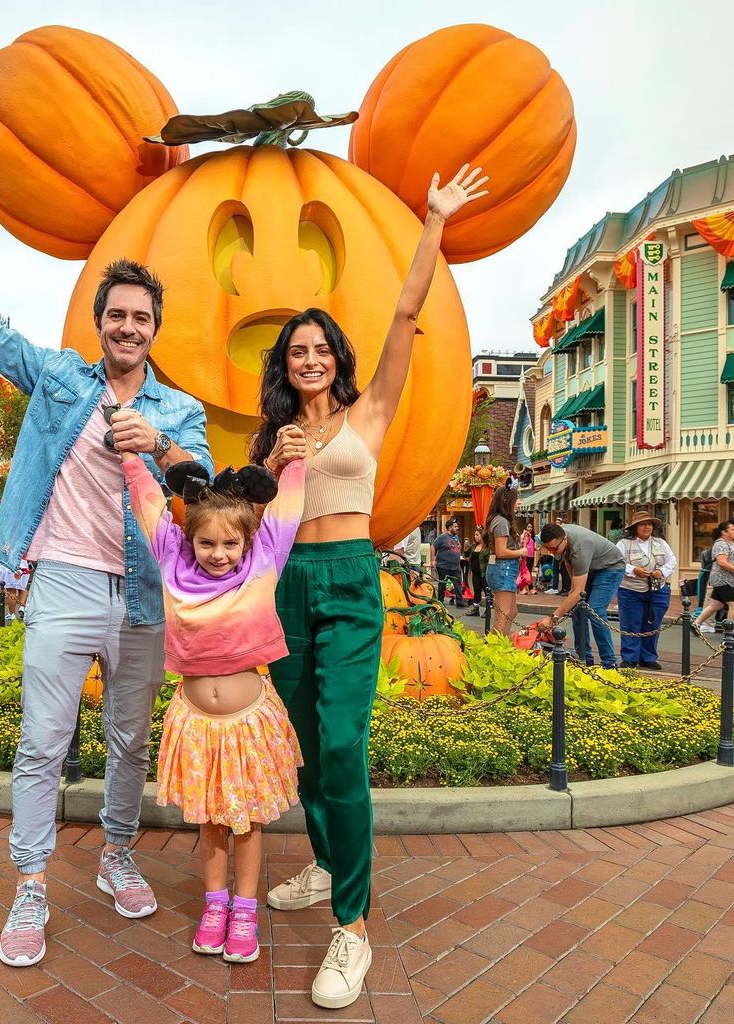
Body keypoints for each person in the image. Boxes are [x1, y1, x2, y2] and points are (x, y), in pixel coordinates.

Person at [0, 183, 211, 968]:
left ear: (157, 329)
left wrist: (157, 447)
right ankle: (30, 885)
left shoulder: (179, 410)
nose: (128, 327)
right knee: (42, 743)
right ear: (101, 325)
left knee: (130, 743)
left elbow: (205, 492)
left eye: (141, 317)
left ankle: (116, 857)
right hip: (61, 580)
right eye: (117, 315)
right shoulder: (63, 379)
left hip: (142, 592)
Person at [249, 163, 489, 1008]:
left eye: (319, 347)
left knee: (344, 747)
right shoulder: (273, 435)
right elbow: (247, 533)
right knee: (309, 750)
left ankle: (352, 929)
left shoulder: (370, 413)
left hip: (351, 583)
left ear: (335, 358)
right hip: (288, 588)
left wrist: (433, 222)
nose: (309, 357)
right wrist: (269, 471)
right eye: (297, 350)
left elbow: (405, 312)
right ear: (285, 365)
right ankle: (323, 862)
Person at [124, 451, 305, 964]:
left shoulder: (264, 560)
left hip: (249, 724)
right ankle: (215, 905)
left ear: (249, 541)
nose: (219, 553)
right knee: (210, 823)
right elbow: (149, 505)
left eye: (230, 543)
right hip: (196, 724)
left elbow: (286, 510)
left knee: (247, 822)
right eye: (207, 542)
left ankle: (245, 909)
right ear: (189, 540)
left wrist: (295, 463)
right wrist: (131, 456)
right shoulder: (171, 561)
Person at [536, 522, 626, 669]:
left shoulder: (580, 548)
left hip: (611, 567)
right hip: (590, 568)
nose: (552, 552)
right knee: (577, 609)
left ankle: (609, 663)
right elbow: (569, 565)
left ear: (564, 539)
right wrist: (573, 596)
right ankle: (584, 658)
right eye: (548, 549)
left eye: (554, 548)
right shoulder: (560, 541)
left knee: (595, 610)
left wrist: (552, 618)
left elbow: (578, 592)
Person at [615, 510, 676, 670]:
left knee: (653, 623)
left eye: (649, 524)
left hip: (658, 589)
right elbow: (617, 563)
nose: (646, 527)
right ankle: (630, 658)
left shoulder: (660, 543)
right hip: (630, 590)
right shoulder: (623, 544)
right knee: (631, 624)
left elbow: (671, 562)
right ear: (635, 527)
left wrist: (661, 572)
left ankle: (648, 657)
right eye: (642, 524)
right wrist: (633, 570)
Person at [483, 487, 527, 635]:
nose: (518, 502)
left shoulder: (498, 520)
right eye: (516, 499)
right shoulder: (501, 521)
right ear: (507, 501)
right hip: (504, 569)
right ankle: (496, 650)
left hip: (502, 568)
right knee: (503, 616)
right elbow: (501, 551)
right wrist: (520, 551)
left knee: (511, 612)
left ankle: (503, 644)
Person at [693, 521, 734, 634]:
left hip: (726, 579)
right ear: (723, 532)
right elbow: (722, 562)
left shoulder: (730, 543)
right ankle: (730, 632)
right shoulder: (721, 544)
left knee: (715, 605)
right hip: (724, 579)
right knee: (733, 605)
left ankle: (696, 624)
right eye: (732, 529)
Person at [433, 518, 465, 606]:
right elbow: (433, 546)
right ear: (450, 527)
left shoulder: (455, 537)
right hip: (443, 565)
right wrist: (433, 560)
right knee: (442, 583)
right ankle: (440, 601)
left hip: (455, 565)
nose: (457, 528)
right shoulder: (442, 537)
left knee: (458, 583)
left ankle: (460, 601)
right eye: (455, 526)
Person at [0, 556, 30, 621]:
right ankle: (22, 607)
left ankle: (11, 614)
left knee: (11, 590)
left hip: (8, 564)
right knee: (23, 588)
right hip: (23, 564)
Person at [465, 527, 489, 615]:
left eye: (477, 535)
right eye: (475, 535)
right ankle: (476, 609)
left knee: (487, 591)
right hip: (475, 573)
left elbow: (489, 559)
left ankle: (488, 610)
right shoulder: (473, 546)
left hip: (484, 573)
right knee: (477, 590)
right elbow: (467, 555)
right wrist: (466, 548)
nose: (475, 537)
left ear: (482, 535)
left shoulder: (487, 547)